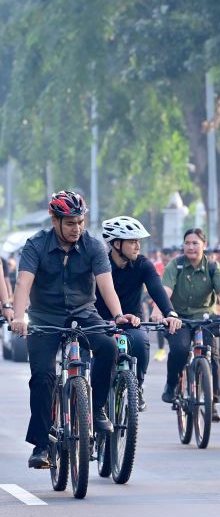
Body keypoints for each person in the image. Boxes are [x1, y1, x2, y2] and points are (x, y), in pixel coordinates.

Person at [11, 191, 140, 469]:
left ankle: (97, 409)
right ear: (54, 220)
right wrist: (19, 316)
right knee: (43, 376)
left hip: (85, 314)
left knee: (107, 347)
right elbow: (24, 283)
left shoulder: (92, 246)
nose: (76, 228)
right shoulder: (35, 246)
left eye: (80, 222)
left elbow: (106, 286)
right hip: (45, 317)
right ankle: (41, 445)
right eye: (70, 223)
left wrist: (118, 316)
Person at [160, 227, 220, 421]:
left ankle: (212, 402)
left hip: (205, 318)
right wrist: (157, 312)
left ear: (204, 245)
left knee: (213, 356)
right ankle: (171, 384)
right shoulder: (175, 266)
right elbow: (164, 291)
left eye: (195, 243)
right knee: (179, 350)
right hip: (179, 318)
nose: (191, 247)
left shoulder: (213, 267)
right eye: (187, 243)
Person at [96, 216, 183, 411]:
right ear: (117, 244)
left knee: (141, 342)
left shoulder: (143, 264)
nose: (138, 246)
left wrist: (170, 312)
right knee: (95, 360)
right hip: (100, 322)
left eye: (138, 241)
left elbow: (156, 288)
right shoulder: (100, 264)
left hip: (132, 321)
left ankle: (137, 386)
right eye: (133, 241)